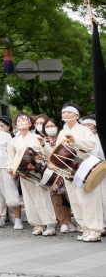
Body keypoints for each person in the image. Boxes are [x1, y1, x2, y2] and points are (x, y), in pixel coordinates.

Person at [55, 104, 102, 242]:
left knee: (88, 200)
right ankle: (85, 228)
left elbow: (90, 145)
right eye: (64, 112)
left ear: (77, 115)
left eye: (69, 112)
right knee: (75, 201)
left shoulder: (84, 130)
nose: (66, 114)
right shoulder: (61, 132)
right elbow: (57, 151)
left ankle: (95, 230)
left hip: (83, 167)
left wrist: (75, 140)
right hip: (68, 169)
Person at [7, 112, 57, 236]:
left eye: (24, 120)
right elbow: (11, 157)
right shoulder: (13, 141)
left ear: (30, 123)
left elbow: (49, 154)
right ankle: (37, 224)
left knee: (42, 198)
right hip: (24, 173)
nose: (21, 122)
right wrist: (12, 169)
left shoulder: (37, 138)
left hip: (37, 171)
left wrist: (43, 145)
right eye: (18, 121)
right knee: (29, 199)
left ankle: (50, 224)